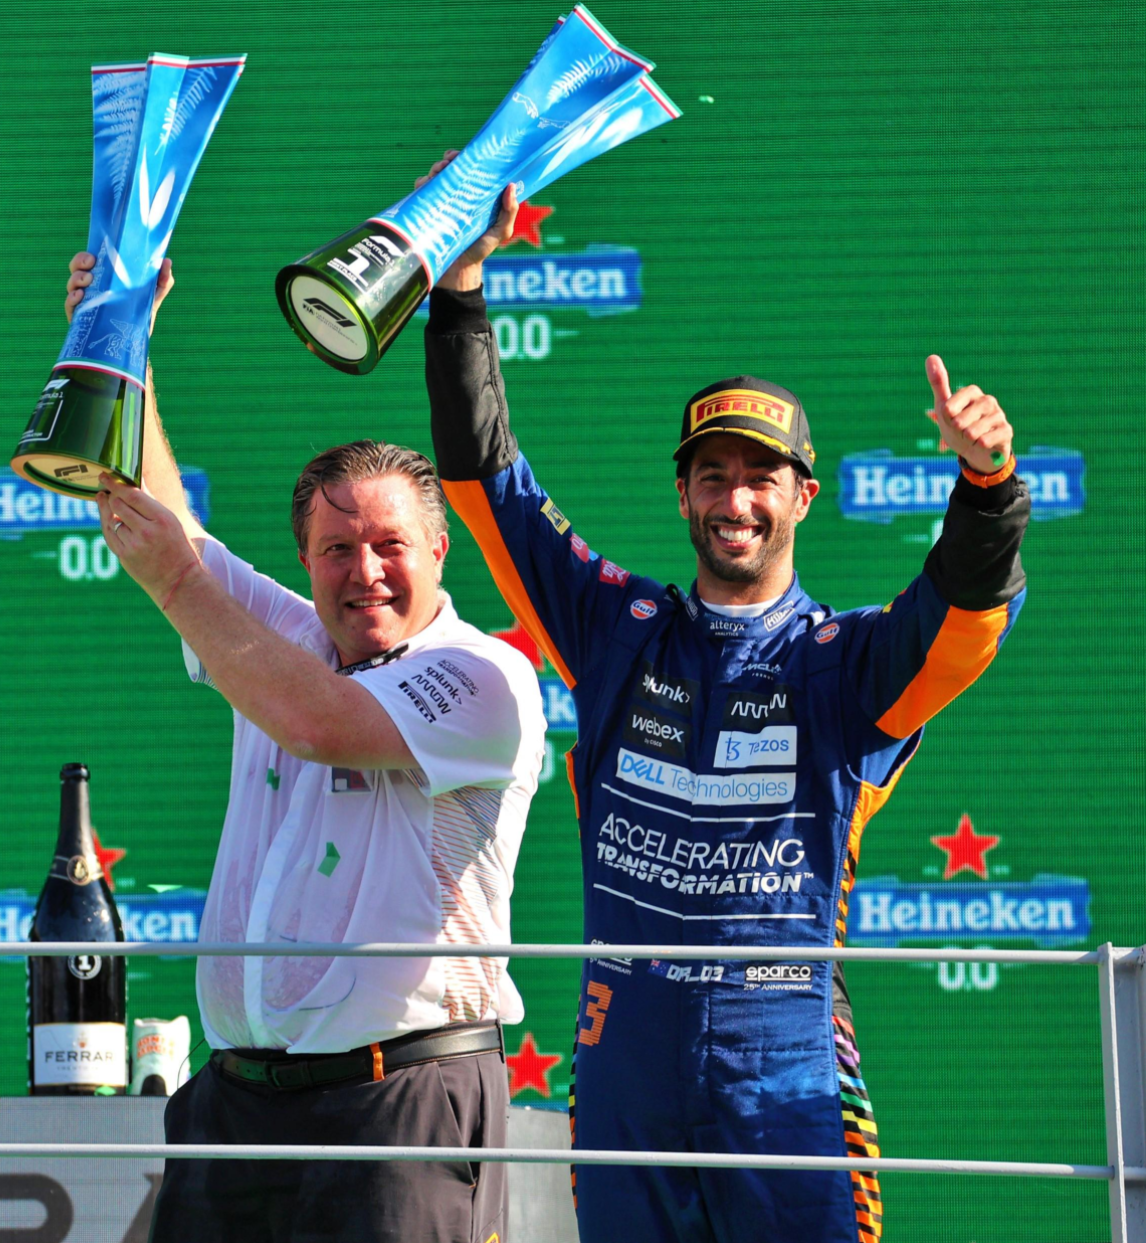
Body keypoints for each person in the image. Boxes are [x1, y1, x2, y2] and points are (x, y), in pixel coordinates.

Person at [419, 159, 1028, 1242]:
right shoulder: (615, 628)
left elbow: (965, 618)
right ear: (681, 491)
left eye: (760, 476)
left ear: (803, 495)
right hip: (624, 1048)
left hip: (785, 1051)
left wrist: (987, 486)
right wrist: (459, 296)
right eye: (711, 474)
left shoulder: (846, 663)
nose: (733, 498)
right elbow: (487, 487)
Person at [67, 241, 549, 1243]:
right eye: (337, 549)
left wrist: (178, 583)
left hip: (398, 1101)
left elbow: (319, 723)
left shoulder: (483, 676)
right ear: (304, 560)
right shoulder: (282, 642)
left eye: (389, 545)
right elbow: (166, 525)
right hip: (235, 1104)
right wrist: (120, 337)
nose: (364, 571)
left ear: (439, 550)